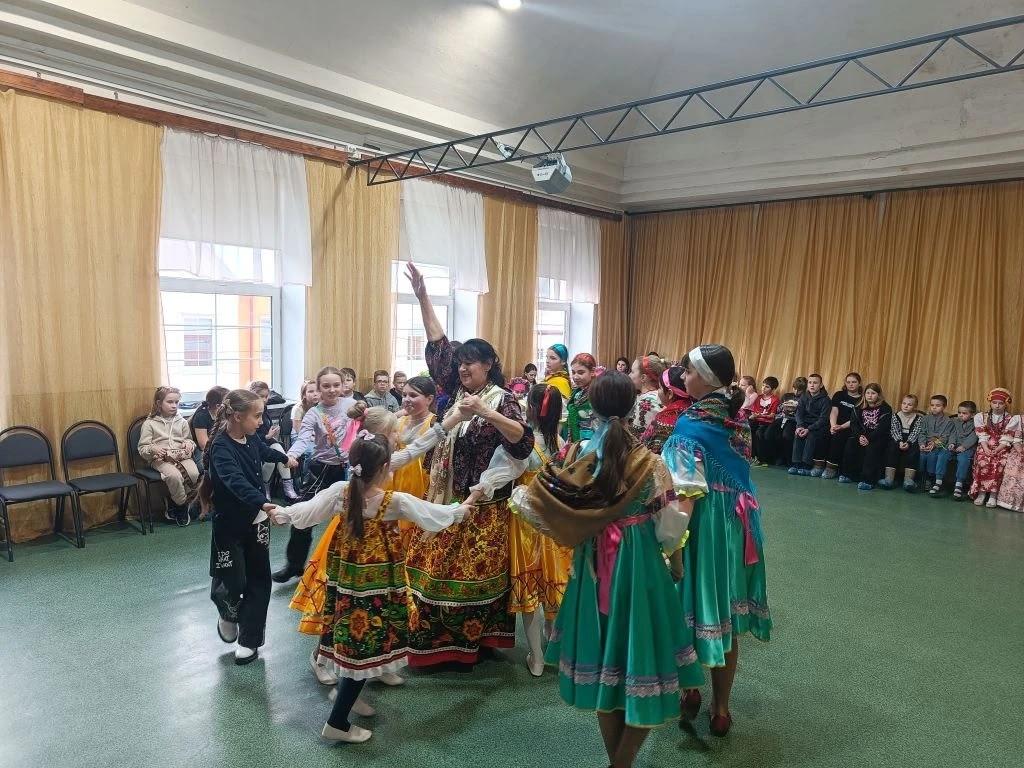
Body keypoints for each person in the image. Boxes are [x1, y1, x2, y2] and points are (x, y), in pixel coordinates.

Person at [512, 372, 698, 767]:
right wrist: (677, 563)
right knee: (643, 660)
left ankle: (617, 763)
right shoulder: (650, 462)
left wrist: (576, 531)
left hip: (591, 567)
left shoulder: (576, 453)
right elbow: (670, 527)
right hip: (641, 569)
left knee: (602, 667)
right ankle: (622, 762)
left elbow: (532, 503)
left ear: (590, 406)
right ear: (634, 407)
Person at [270, 435, 469, 743]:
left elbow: (306, 512)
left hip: (346, 582)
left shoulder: (341, 492)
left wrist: (282, 513)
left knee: (352, 636)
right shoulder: (394, 501)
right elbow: (435, 516)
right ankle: (337, 722)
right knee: (366, 643)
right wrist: (461, 508)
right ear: (386, 467)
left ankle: (346, 694)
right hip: (376, 586)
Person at [404, 262, 535, 666]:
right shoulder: (453, 390)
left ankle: (475, 645)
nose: (463, 367)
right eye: (461, 362)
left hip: (482, 505)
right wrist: (423, 297)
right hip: (444, 496)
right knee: (433, 566)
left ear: (489, 364)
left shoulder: (502, 398)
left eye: (472, 362)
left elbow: (522, 442)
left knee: (473, 574)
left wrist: (487, 413)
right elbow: (438, 344)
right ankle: (435, 646)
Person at [663, 345, 771, 738]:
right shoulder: (737, 420)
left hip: (703, 525)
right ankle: (721, 708)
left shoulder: (691, 425)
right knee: (725, 612)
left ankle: (690, 689)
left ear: (707, 379)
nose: (684, 377)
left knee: (692, 606)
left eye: (689, 371)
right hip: (737, 526)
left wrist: (671, 541)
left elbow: (685, 492)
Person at [202, 389, 288, 665]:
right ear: (237, 416)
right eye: (257, 416)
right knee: (232, 579)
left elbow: (263, 450)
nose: (261, 422)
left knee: (259, 580)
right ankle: (227, 614)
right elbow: (234, 481)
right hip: (230, 525)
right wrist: (263, 503)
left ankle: (249, 640)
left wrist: (283, 458)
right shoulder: (221, 447)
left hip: (258, 523)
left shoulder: (251, 438)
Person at [509, 383, 571, 677]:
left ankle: (536, 656)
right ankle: (555, 644)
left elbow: (506, 474)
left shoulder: (525, 442)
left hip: (525, 518)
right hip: (555, 518)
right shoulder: (562, 442)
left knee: (530, 585)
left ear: (532, 408)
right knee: (554, 582)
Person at [272, 366, 354, 584]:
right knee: (304, 515)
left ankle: (350, 566)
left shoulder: (351, 405)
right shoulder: (313, 414)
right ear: (318, 388)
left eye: (336, 385)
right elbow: (303, 439)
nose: (332, 390)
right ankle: (294, 565)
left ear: (342, 385)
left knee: (354, 518)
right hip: (321, 470)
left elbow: (366, 425)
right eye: (326, 386)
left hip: (351, 469)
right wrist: (291, 455)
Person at [139, 386, 200, 526]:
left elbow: (189, 440)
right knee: (174, 476)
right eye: (170, 402)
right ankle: (181, 506)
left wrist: (189, 444)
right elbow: (142, 448)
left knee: (194, 474)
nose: (174, 405)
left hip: (182, 457)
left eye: (176, 402)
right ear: (159, 403)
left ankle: (173, 502)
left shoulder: (182, 421)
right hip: (160, 459)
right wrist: (153, 449)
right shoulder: (149, 423)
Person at [248, 380, 298, 500]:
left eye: (266, 396)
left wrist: (271, 434)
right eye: (261, 396)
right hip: (257, 443)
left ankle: (288, 489)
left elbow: (264, 428)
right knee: (272, 460)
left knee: (279, 451)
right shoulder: (249, 411)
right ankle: (267, 489)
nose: (265, 399)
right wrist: (267, 436)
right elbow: (251, 436)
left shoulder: (264, 408)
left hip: (267, 441)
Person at [838, 383, 892, 490]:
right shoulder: (858, 406)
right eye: (868, 393)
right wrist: (859, 436)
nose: (870, 396)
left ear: (878, 395)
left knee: (872, 448)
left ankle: (868, 480)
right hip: (861, 435)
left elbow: (882, 428)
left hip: (877, 437)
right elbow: (854, 424)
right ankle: (848, 474)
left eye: (873, 393)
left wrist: (869, 438)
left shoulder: (886, 408)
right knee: (851, 443)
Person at [972, 388, 1014, 508]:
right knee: (983, 460)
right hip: (985, 445)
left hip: (1002, 446)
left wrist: (998, 449)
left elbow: (1007, 437)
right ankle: (981, 493)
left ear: (1006, 404)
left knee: (1000, 462)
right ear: (990, 402)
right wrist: (986, 449)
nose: (997, 406)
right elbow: (982, 435)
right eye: (994, 402)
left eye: (1000, 403)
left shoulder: (1011, 419)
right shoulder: (981, 416)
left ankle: (993, 495)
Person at [641, 366, 692, 455]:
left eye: (660, 388)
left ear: (670, 393)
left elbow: (651, 453)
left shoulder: (663, 419)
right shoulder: (692, 408)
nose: (658, 391)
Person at [823, 373, 863, 480]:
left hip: (850, 426)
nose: (851, 384)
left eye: (854, 382)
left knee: (839, 436)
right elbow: (834, 411)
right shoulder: (839, 394)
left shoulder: (862, 399)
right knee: (823, 433)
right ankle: (818, 465)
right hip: (835, 423)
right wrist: (833, 425)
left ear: (859, 383)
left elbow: (855, 418)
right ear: (845, 383)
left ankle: (831, 468)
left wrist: (840, 427)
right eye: (848, 382)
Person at [878, 395, 922, 491]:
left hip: (911, 440)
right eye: (904, 403)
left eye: (909, 405)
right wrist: (899, 442)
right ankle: (889, 479)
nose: (906, 406)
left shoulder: (918, 418)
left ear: (915, 407)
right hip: (897, 439)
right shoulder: (896, 416)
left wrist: (909, 443)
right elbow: (894, 430)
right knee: (892, 448)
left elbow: (916, 432)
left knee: (914, 450)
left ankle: (908, 480)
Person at [790, 374, 830, 476]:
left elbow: (823, 419)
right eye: (810, 382)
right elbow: (799, 413)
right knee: (798, 434)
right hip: (804, 424)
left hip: (818, 426)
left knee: (811, 436)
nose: (812, 385)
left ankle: (806, 465)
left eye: (815, 383)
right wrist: (800, 426)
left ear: (821, 385)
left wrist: (809, 429)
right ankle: (796, 464)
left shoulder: (826, 400)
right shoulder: (804, 397)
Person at [941, 401, 979, 500]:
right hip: (954, 446)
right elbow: (952, 434)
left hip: (967, 448)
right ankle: (939, 481)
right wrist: (952, 443)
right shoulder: (955, 421)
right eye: (959, 412)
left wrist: (964, 446)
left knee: (963, 459)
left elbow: (974, 436)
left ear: (972, 415)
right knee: (943, 455)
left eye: (964, 413)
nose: (961, 415)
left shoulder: (976, 423)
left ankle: (959, 484)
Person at [918, 395, 953, 492]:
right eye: (932, 405)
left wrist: (934, 443)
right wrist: (922, 444)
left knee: (932, 455)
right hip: (925, 443)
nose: (934, 407)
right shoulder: (925, 418)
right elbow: (922, 433)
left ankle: (930, 478)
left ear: (944, 407)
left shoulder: (948, 421)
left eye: (938, 405)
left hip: (939, 445)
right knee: (921, 455)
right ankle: (920, 478)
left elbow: (945, 437)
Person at [628, 355, 666, 439]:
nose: (629, 375)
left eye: (632, 372)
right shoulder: (657, 396)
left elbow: (635, 438)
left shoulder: (646, 402)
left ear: (643, 378)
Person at [995, 407, 1024, 511]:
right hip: (1019, 450)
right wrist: (1021, 452)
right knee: (1017, 465)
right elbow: (1016, 439)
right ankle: (1010, 502)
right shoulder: (1019, 419)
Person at [757, 394, 798, 467]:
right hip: (779, 419)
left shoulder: (800, 400)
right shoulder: (786, 396)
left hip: (792, 420)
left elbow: (799, 415)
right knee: (767, 434)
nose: (796, 391)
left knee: (786, 435)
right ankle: (770, 459)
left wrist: (793, 409)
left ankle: (786, 460)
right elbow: (778, 410)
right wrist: (783, 406)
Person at [566, 352, 598, 443]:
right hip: (577, 440)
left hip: (590, 443)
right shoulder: (577, 391)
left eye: (580, 372)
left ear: (592, 372)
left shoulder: (597, 393)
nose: (575, 377)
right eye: (573, 372)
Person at [749, 377, 780, 465]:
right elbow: (754, 411)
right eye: (763, 385)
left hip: (767, 423)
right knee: (748, 429)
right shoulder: (758, 397)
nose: (763, 388)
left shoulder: (775, 399)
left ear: (773, 389)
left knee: (759, 433)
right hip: (756, 420)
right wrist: (755, 415)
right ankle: (750, 455)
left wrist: (761, 415)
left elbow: (772, 415)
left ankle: (761, 459)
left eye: (767, 387)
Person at [191, 385, 228, 452]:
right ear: (218, 406)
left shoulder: (223, 413)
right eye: (228, 404)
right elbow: (204, 446)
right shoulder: (201, 416)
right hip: (202, 450)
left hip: (217, 445)